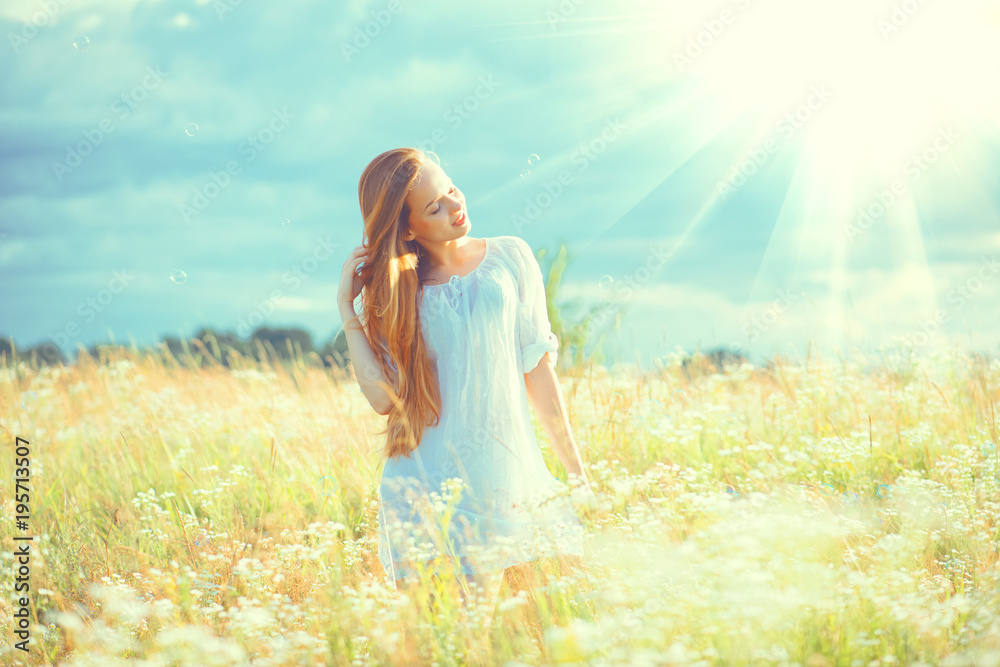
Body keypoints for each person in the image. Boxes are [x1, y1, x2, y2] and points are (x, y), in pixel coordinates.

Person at [336, 147, 595, 634]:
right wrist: (348, 313)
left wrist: (577, 471)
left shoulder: (511, 257)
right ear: (407, 228)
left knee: (468, 636)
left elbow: (537, 370)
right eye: (435, 207)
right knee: (424, 643)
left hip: (489, 480)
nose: (455, 206)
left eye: (451, 189)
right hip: (416, 481)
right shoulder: (396, 291)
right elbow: (382, 399)